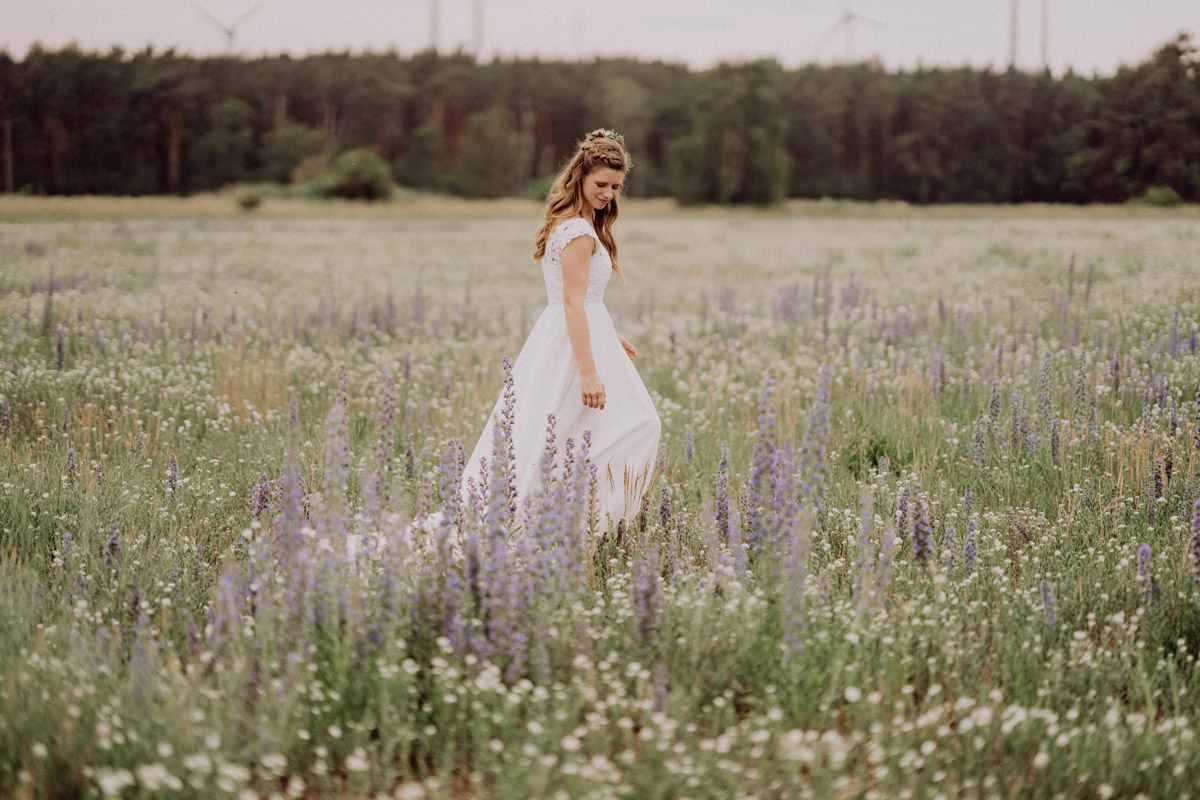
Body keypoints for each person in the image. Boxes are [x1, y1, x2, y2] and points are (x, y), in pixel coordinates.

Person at [462, 128, 661, 532]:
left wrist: (608, 335)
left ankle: (566, 520)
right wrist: (590, 371)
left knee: (570, 429)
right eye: (601, 184)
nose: (608, 193)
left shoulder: (577, 225)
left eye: (616, 187)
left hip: (577, 334)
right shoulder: (578, 232)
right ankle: (573, 523)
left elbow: (583, 301)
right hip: (571, 345)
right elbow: (572, 302)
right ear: (580, 177)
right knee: (635, 423)